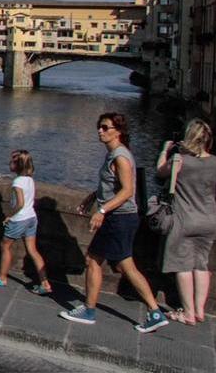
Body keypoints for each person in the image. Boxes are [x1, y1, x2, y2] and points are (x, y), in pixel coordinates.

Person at [59, 112, 169, 332]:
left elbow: (127, 191)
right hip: (119, 218)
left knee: (115, 264)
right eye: (99, 127)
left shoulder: (120, 156)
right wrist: (93, 196)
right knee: (106, 261)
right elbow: (113, 186)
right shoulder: (114, 154)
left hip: (120, 219)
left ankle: (150, 311)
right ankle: (151, 311)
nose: (100, 131)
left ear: (118, 131)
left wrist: (101, 210)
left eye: (106, 127)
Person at [157, 119, 216, 325]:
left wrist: (165, 151)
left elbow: (160, 172)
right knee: (201, 264)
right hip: (209, 220)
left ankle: (188, 312)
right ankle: (200, 310)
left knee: (182, 265)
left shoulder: (179, 160)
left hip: (185, 219)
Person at [0, 150, 52, 294]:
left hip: (19, 219)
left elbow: (20, 203)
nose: (10, 163)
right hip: (31, 218)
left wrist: (9, 215)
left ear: (18, 165)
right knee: (33, 250)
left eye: (12, 161)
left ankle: (2, 278)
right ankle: (45, 283)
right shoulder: (30, 180)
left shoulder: (18, 182)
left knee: (5, 246)